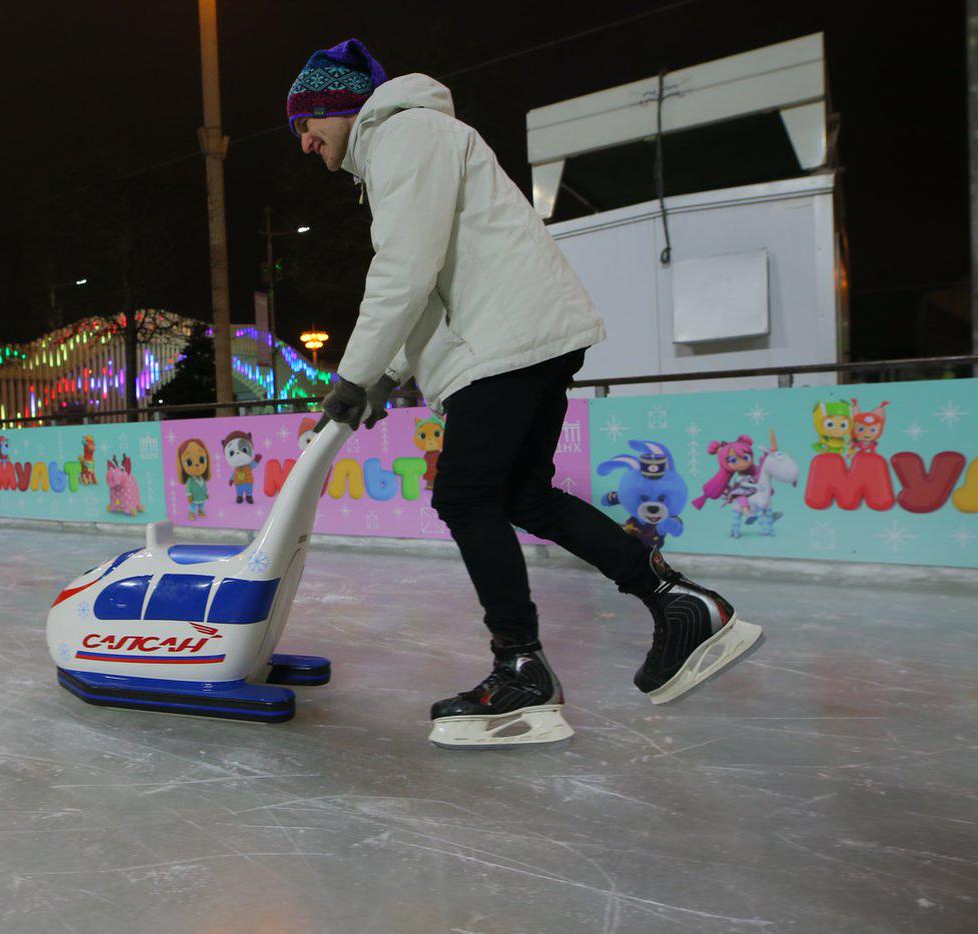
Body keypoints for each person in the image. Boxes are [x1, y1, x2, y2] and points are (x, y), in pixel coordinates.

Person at [287, 39, 764, 749]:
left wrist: (351, 379)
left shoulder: (402, 135)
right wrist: (382, 380)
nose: (304, 142)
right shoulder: (413, 140)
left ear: (338, 107)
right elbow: (424, 279)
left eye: (306, 123)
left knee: (465, 496)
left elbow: (404, 270)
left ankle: (520, 667)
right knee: (522, 496)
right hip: (525, 336)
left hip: (503, 343)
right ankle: (678, 603)